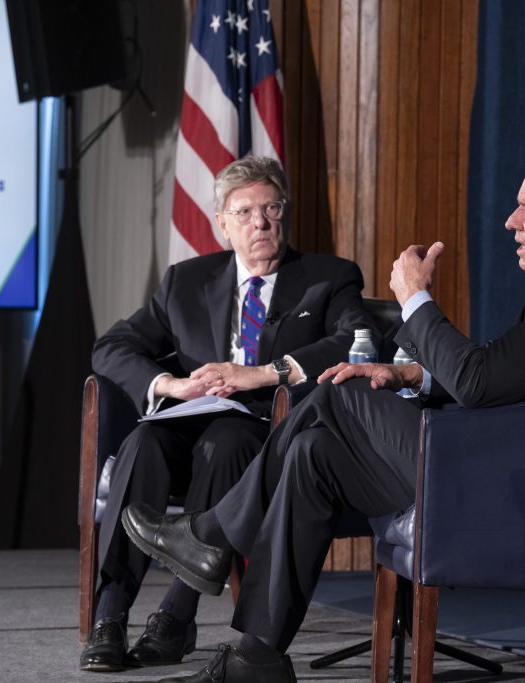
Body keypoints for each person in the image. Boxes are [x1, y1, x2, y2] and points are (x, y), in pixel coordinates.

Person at [122, 142, 525, 682]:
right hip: (512, 461)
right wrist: (412, 374)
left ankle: (213, 535)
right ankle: (256, 656)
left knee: (337, 397)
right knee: (315, 452)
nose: (511, 221)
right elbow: (512, 376)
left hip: (523, 489)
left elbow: (479, 382)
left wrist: (414, 300)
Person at [81, 155, 379, 672]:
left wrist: (266, 373)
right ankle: (109, 617)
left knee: (226, 441)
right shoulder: (185, 283)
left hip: (265, 431)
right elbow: (112, 346)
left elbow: (360, 340)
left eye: (270, 209)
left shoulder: (327, 278)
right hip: (189, 419)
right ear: (222, 223)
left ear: (284, 213)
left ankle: (176, 616)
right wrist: (169, 384)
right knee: (142, 445)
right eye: (244, 213)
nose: (260, 222)